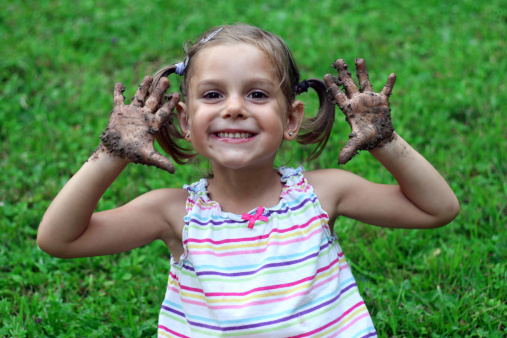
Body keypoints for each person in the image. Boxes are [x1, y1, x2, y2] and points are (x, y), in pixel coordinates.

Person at [38, 24, 459, 337]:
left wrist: (386, 141)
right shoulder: (173, 213)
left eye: (257, 94)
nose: (235, 108)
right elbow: (59, 239)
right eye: (213, 94)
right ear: (185, 120)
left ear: (291, 118)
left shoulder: (324, 192)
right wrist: (111, 153)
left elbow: (437, 208)